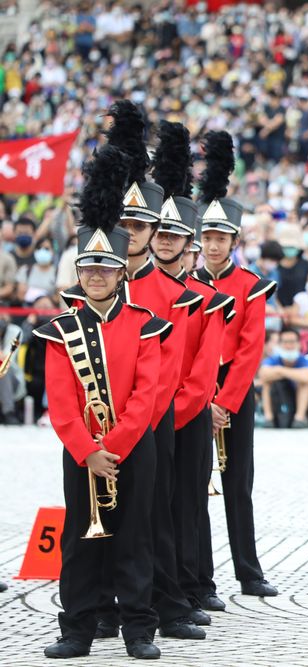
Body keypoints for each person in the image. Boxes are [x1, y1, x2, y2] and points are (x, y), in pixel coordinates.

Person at [66, 101, 207, 642]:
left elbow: (167, 369)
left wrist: (139, 423)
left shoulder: (173, 292)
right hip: (98, 424)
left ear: (153, 229)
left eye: (139, 224)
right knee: (94, 519)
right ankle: (99, 607)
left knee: (155, 516)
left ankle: (163, 603)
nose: (130, 231)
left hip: (154, 419)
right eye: (123, 222)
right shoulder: (92, 286)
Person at [35, 143, 168, 660]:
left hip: (132, 448)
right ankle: (78, 629)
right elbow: (61, 400)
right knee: (79, 542)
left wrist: (114, 444)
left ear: (121, 274)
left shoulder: (145, 326)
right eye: (87, 269)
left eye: (104, 269)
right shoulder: (60, 332)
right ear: (79, 274)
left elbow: (147, 393)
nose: (95, 276)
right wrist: (87, 449)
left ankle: (139, 629)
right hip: (82, 452)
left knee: (136, 537)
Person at [150, 120, 235, 624]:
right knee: (152, 510)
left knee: (187, 507)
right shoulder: (135, 292)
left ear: (190, 246)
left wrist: (178, 411)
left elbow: (205, 370)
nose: (165, 243)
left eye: (175, 237)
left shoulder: (208, 300)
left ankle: (187, 587)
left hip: (186, 415)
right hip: (149, 419)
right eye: (159, 234)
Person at [193, 130, 280, 602]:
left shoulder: (249, 284)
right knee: (193, 487)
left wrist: (224, 402)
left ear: (233, 240)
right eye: (205, 235)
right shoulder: (186, 285)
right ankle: (201, 578)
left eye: (219, 236)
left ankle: (248, 571)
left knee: (237, 484)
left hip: (232, 391)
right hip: (193, 393)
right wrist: (202, 398)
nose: (211, 244)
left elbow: (250, 349)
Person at [259, 327, 308, 428]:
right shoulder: (272, 360)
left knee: (305, 384)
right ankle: (268, 418)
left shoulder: (306, 360)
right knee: (267, 383)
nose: (289, 346)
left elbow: (307, 377)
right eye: (285, 342)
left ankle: (300, 418)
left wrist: (280, 370)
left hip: (299, 397)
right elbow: (263, 375)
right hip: (278, 397)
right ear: (280, 344)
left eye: (292, 342)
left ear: (299, 344)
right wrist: (295, 374)